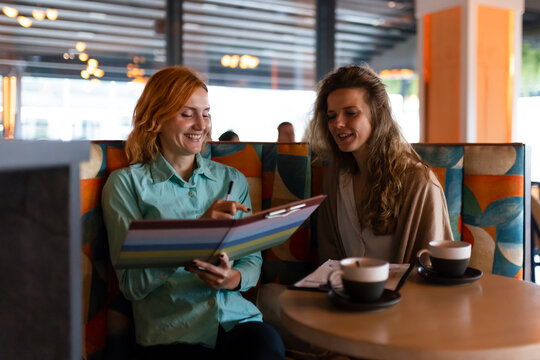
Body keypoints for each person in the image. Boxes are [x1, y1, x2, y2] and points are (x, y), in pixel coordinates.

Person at [102, 66, 285, 360]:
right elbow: (132, 286)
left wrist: (234, 278)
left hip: (236, 321)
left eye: (206, 113)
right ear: (155, 119)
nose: (202, 124)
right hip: (172, 333)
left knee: (265, 345)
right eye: (187, 114)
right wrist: (197, 232)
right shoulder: (126, 184)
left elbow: (251, 257)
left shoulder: (232, 179)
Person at [307, 64, 453, 265]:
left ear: (377, 115)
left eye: (351, 113)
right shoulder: (334, 179)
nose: (337, 123)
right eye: (331, 116)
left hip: (405, 295)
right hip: (345, 293)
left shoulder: (419, 183)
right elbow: (328, 262)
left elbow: (436, 267)